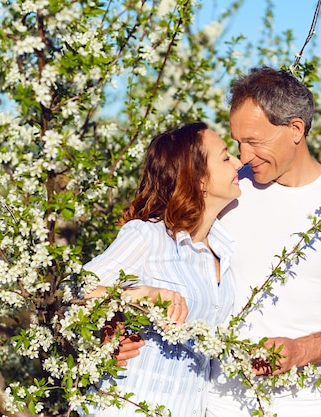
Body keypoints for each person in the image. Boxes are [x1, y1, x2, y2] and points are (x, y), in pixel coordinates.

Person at [117, 67, 321, 416]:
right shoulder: (225, 189)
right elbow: (157, 256)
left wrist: (300, 351)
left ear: (295, 130)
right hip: (220, 404)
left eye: (255, 142)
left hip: (314, 405)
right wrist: (117, 329)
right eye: (238, 142)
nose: (244, 156)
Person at [80, 122, 243, 417]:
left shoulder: (224, 250)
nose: (239, 162)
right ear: (200, 178)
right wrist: (143, 294)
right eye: (225, 157)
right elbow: (77, 292)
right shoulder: (147, 236)